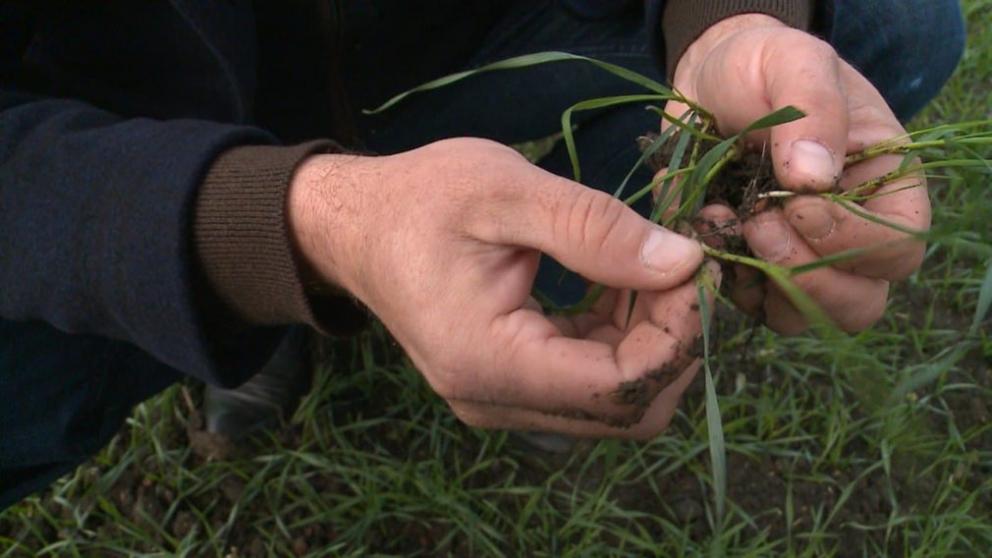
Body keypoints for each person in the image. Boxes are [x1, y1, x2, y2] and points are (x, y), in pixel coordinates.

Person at [0, 0, 964, 509]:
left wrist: (735, 15)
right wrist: (270, 225)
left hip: (435, 22)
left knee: (891, 22)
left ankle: (551, 306)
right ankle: (269, 299)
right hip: (117, 111)